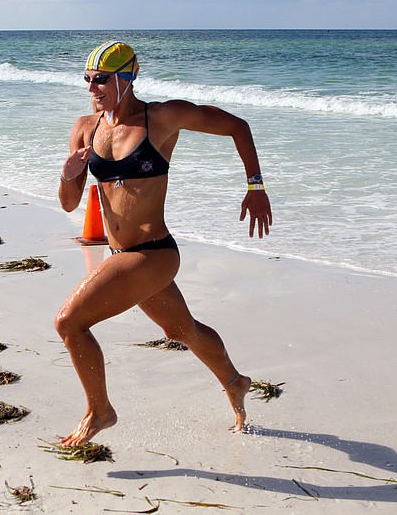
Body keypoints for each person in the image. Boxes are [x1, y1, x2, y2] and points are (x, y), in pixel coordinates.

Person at [55, 41, 272, 447]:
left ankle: (99, 410)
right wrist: (69, 176)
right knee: (181, 328)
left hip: (154, 253)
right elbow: (70, 204)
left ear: (127, 77)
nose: (92, 87)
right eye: (87, 79)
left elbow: (237, 126)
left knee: (69, 322)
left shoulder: (161, 117)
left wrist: (255, 186)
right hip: (122, 254)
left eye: (101, 79)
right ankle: (236, 381)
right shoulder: (86, 127)